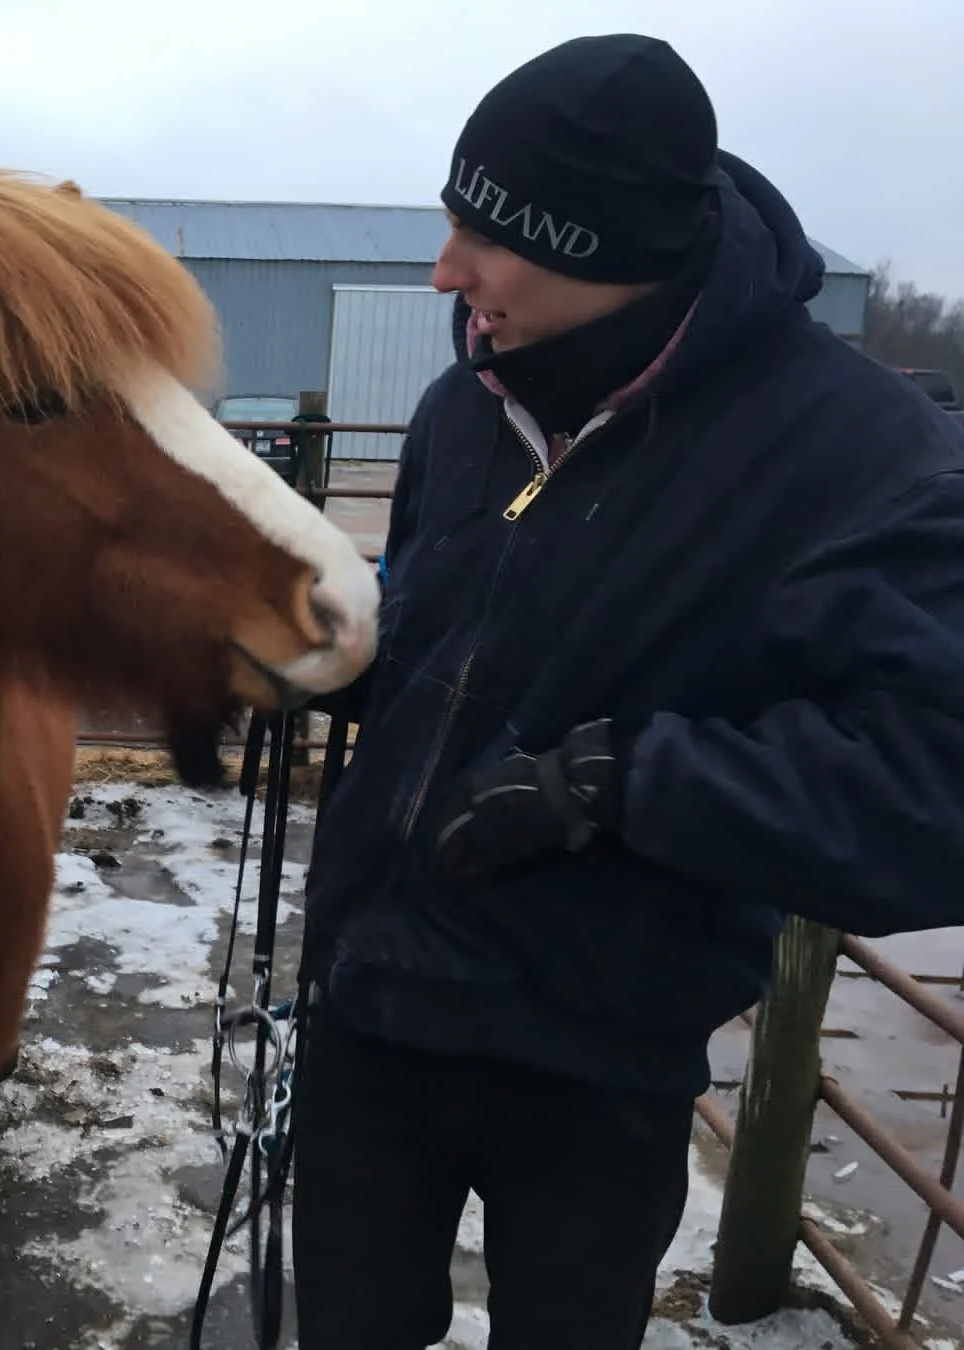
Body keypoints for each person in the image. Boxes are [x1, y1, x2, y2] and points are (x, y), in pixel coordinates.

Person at [292, 31, 964, 1350]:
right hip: (373, 1014)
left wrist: (629, 779)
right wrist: (334, 668)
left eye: (490, 239)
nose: (446, 270)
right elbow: (446, 640)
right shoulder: (460, 404)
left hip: (593, 1057)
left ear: (609, 252)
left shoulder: (857, 456)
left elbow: (933, 789)